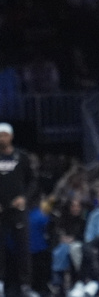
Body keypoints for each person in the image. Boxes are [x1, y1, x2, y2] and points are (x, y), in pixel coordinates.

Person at [0, 122, 40, 297]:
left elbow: (33, 181)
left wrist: (24, 198)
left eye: (4, 135)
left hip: (18, 210)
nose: (2, 138)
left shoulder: (21, 156)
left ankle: (25, 286)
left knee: (23, 248)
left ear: (11, 136)